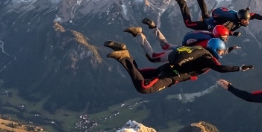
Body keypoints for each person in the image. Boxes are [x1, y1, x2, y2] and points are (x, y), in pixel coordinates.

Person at [104, 39, 251, 95]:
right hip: (170, 76)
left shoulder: (200, 49)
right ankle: (124, 57)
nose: (222, 54)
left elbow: (218, 52)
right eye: (221, 51)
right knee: (143, 88)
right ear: (216, 51)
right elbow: (220, 68)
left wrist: (230, 49)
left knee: (139, 73)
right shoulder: (208, 59)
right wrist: (239, 68)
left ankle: (125, 53)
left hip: (167, 67)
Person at [124, 18, 238, 63]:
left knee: (165, 45)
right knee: (153, 57)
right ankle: (139, 34)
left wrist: (230, 49)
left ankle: (154, 27)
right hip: (182, 52)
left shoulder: (209, 34)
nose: (225, 39)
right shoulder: (211, 43)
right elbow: (215, 53)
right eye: (224, 37)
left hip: (184, 47)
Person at [172, 0, 262, 32]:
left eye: (247, 20)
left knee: (205, 16)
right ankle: (182, 2)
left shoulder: (241, 15)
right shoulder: (230, 22)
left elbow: (253, 15)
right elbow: (222, 29)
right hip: (208, 25)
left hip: (213, 20)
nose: (246, 22)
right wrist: (233, 34)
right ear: (240, 19)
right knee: (188, 24)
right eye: (245, 20)